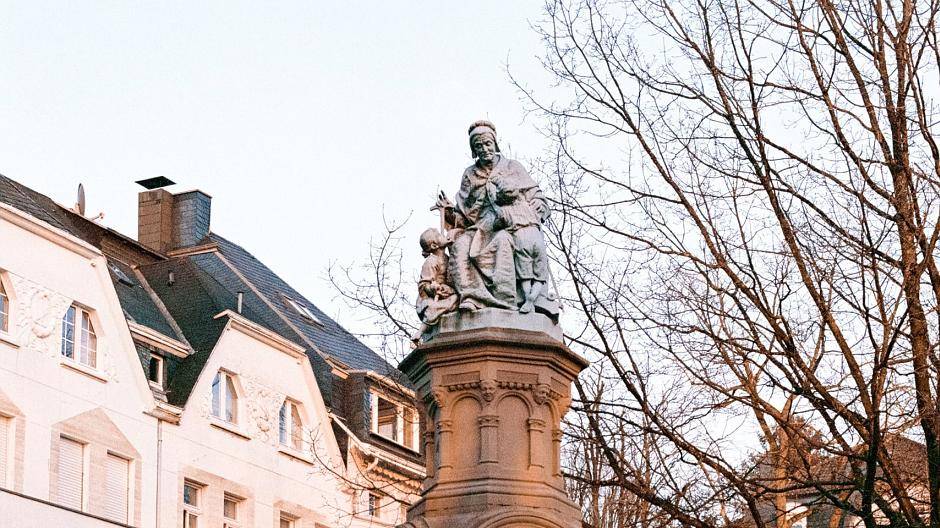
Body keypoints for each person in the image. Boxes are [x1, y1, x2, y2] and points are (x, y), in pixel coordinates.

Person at [435, 120, 556, 316]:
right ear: (473, 150)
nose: (484, 149)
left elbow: (536, 196)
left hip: (511, 223)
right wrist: (448, 211)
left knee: (503, 241)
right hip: (481, 227)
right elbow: (464, 214)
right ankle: (471, 298)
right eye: (478, 146)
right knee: (460, 246)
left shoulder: (512, 167)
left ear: (495, 143)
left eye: (487, 144)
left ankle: (508, 300)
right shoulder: (469, 175)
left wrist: (536, 209)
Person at [494, 186, 548, 313]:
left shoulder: (505, 211)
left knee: (525, 275)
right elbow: (541, 212)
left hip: (522, 239)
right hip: (536, 237)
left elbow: (496, 225)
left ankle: (528, 300)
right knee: (540, 276)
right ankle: (532, 299)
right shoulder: (529, 206)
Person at [415, 228, 458, 325]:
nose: (443, 235)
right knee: (432, 307)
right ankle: (426, 323)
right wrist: (432, 288)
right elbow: (423, 285)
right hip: (432, 297)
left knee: (456, 298)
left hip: (446, 292)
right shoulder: (431, 261)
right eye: (439, 235)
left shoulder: (447, 258)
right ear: (434, 245)